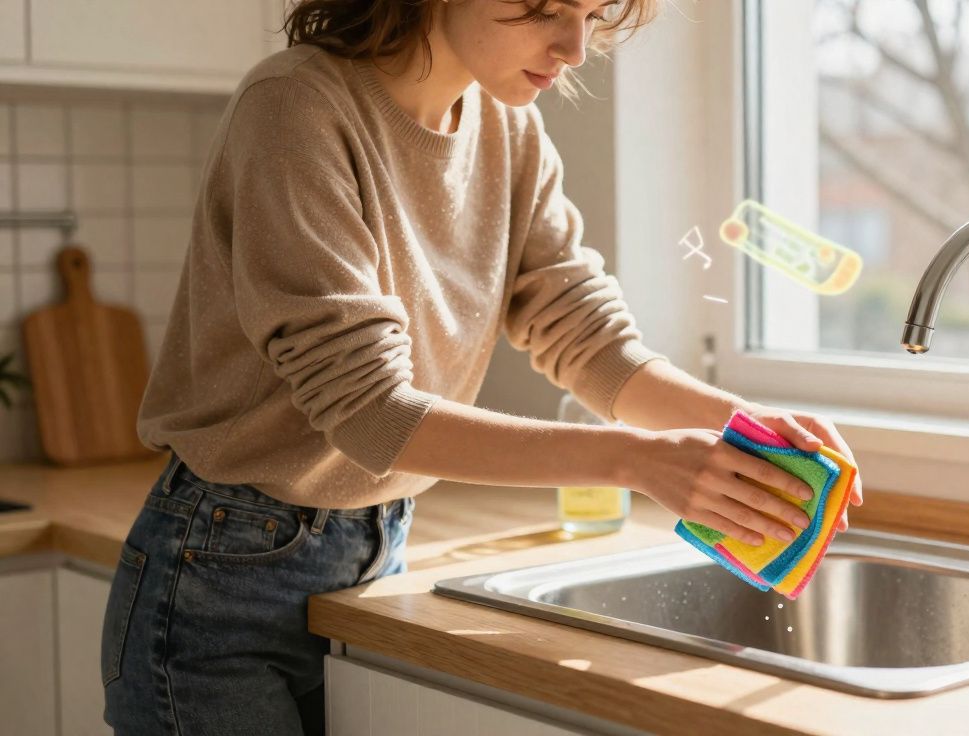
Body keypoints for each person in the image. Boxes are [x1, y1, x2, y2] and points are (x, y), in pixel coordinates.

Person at [100, 0, 864, 733]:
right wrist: (635, 459)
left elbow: (589, 339)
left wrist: (744, 425)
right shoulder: (294, 108)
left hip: (375, 551)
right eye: (546, 9)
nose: (574, 50)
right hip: (222, 573)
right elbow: (371, 413)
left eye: (591, 16)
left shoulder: (509, 128)